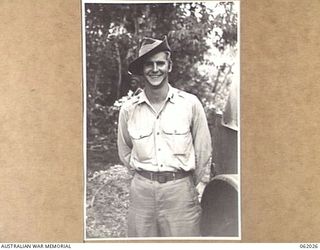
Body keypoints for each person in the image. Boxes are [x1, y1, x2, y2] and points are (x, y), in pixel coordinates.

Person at [117, 36, 212, 237]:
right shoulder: (128, 109)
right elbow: (125, 150)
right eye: (149, 64)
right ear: (142, 69)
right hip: (142, 194)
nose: (155, 69)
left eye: (160, 63)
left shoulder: (190, 104)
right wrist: (143, 178)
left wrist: (189, 184)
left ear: (169, 66)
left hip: (180, 193)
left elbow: (203, 150)